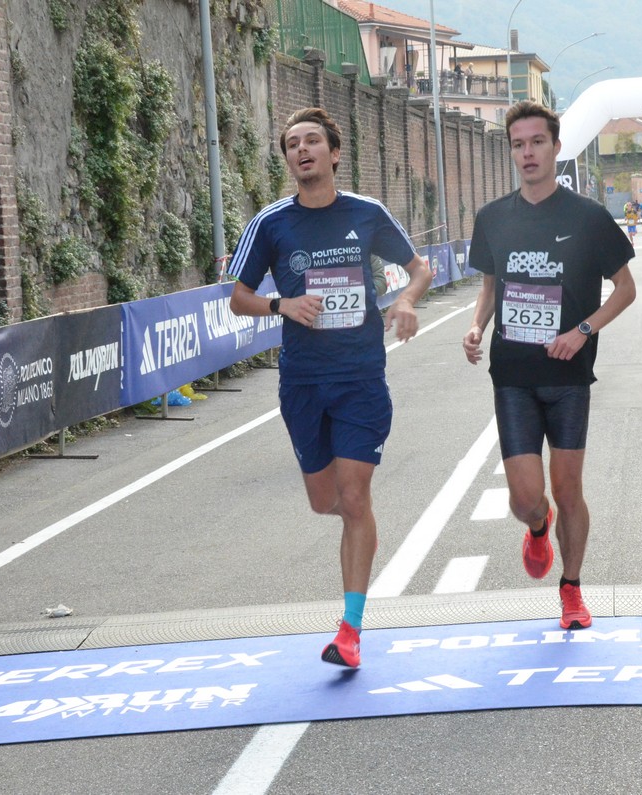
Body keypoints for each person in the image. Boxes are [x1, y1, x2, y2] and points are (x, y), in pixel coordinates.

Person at [227, 107, 431, 668]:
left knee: (355, 497)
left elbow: (420, 268)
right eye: (292, 144)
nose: (302, 150)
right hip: (302, 381)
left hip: (361, 375)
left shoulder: (366, 213)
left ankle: (351, 629)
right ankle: (350, 554)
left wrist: (407, 301)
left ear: (335, 153)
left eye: (312, 140)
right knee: (327, 502)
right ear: (289, 159)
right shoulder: (271, 223)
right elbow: (237, 297)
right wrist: (281, 303)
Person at [462, 101, 636, 631]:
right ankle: (539, 528)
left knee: (568, 489)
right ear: (511, 151)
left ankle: (572, 589)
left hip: (568, 378)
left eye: (537, 142)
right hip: (512, 376)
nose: (528, 152)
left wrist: (582, 331)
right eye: (518, 144)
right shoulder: (493, 218)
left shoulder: (587, 217)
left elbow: (625, 291)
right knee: (526, 499)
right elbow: (490, 287)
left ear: (556, 148)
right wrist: (476, 327)